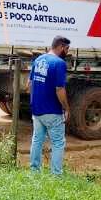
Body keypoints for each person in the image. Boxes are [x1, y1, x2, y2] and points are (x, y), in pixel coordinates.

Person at [28, 36, 71, 175]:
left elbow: (30, 84)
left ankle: (34, 171)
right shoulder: (59, 63)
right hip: (52, 110)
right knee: (58, 143)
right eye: (67, 49)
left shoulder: (39, 60)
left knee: (37, 140)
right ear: (61, 47)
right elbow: (59, 89)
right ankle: (56, 175)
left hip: (37, 110)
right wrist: (66, 108)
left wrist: (34, 103)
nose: (68, 52)